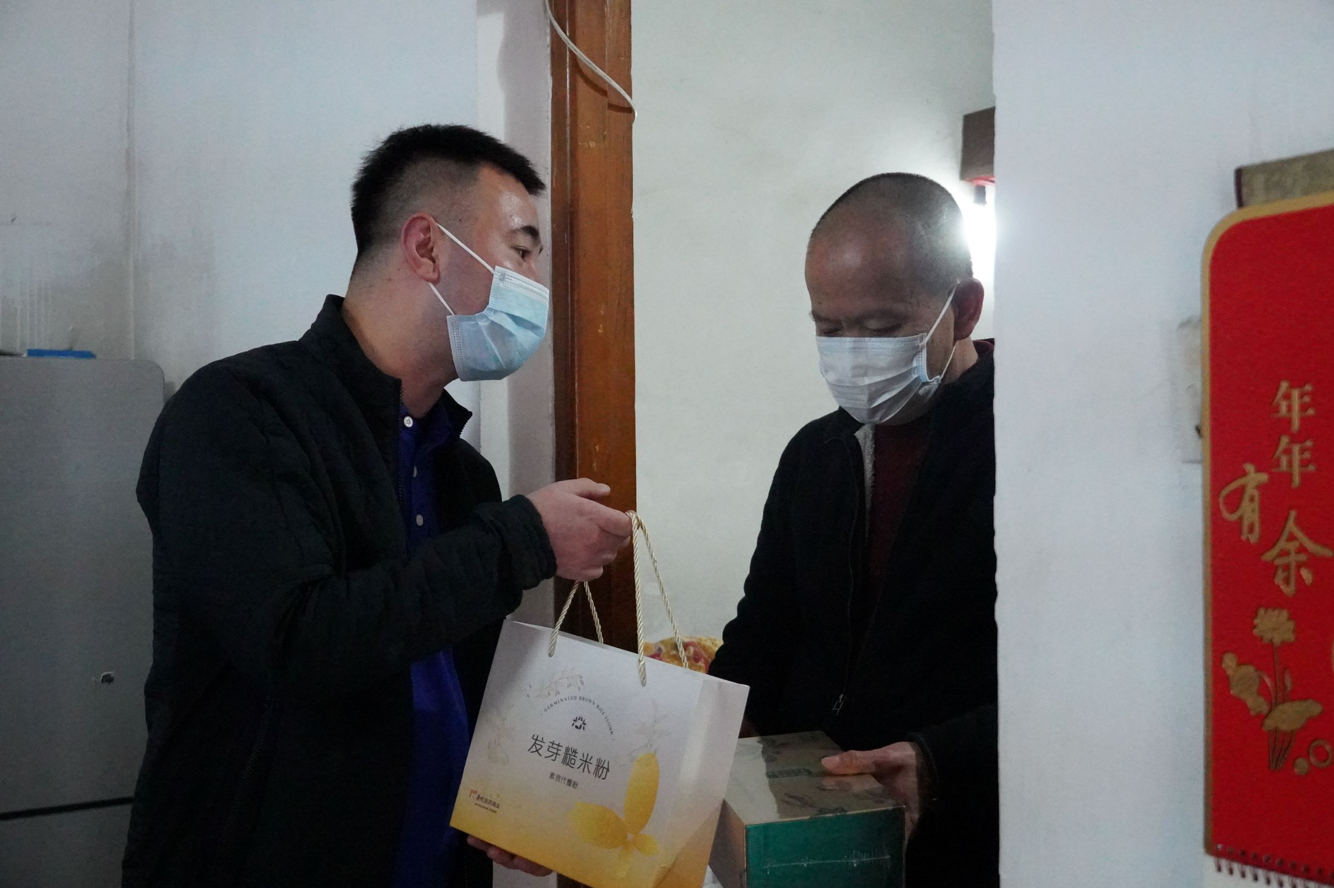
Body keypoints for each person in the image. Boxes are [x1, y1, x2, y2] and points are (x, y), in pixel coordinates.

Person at [122, 124, 632, 887]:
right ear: (426, 247)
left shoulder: (464, 472)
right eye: (523, 250)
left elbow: (454, 675)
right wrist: (522, 538)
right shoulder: (240, 410)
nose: (537, 283)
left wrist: (523, 799)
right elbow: (297, 641)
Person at [708, 173, 997, 887]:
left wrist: (939, 760)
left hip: (964, 832)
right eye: (829, 329)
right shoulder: (817, 455)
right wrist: (696, 745)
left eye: (880, 328)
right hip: (813, 831)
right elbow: (763, 630)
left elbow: (1074, 675)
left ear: (963, 309)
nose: (852, 353)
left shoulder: (1028, 448)